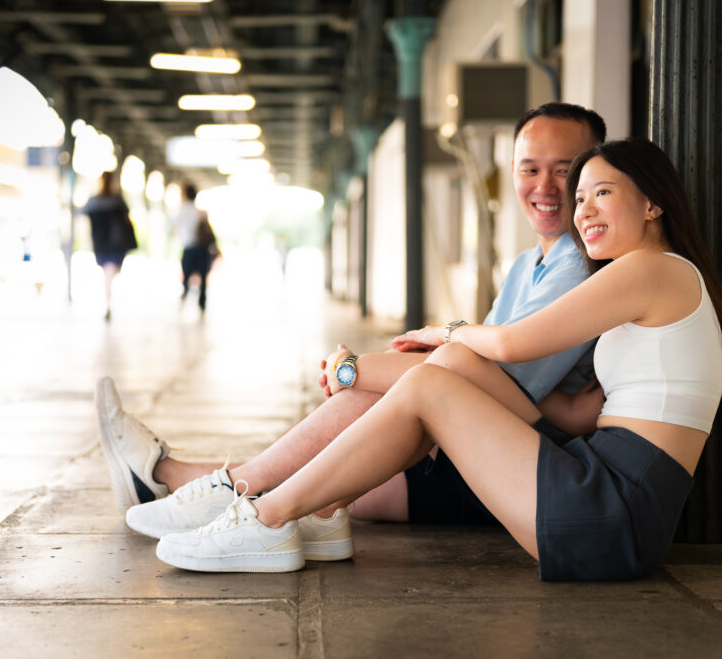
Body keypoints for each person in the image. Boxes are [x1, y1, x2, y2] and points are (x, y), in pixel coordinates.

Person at [153, 137, 722, 580]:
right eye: (580, 197)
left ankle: (270, 517)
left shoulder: (651, 270)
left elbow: (512, 344)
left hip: (612, 513)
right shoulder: (655, 279)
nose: (582, 210)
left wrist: (446, 331)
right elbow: (570, 414)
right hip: (605, 484)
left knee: (433, 382)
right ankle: (320, 507)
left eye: (601, 194)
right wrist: (455, 356)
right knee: (450, 372)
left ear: (653, 204)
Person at [96, 103, 607, 539]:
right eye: (529, 168)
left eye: (565, 170)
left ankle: (196, 483)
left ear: (591, 175)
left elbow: (479, 379)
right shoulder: (527, 264)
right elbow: (479, 368)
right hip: (468, 445)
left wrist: (356, 371)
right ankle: (178, 478)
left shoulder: (579, 268)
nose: (545, 185)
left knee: (363, 411)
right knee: (313, 476)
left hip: (510, 463)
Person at [82, 170, 138, 321]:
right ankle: (109, 302)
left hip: (101, 244)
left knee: (108, 273)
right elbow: (127, 220)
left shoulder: (94, 201)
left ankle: (109, 301)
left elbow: (83, 212)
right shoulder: (118, 201)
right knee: (110, 273)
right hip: (116, 243)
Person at [175, 183, 213, 311]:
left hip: (188, 248)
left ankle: (184, 297)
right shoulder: (201, 212)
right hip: (202, 249)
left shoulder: (181, 211)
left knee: (186, 276)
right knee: (202, 276)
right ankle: (202, 302)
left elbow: (175, 229)